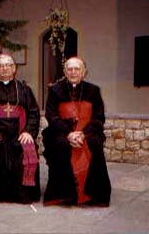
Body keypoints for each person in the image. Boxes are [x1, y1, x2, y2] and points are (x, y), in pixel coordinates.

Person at [42, 56, 111, 207]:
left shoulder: (93, 90)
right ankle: (65, 195)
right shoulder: (54, 90)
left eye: (77, 69)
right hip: (62, 132)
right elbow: (52, 116)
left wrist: (83, 133)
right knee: (60, 145)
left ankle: (92, 195)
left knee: (94, 144)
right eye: (70, 69)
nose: (73, 72)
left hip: (88, 131)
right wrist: (69, 133)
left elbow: (99, 118)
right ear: (65, 72)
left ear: (84, 72)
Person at [0, 53, 41, 204]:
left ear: (14, 68)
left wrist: (28, 132)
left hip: (19, 134)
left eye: (8, 65)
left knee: (26, 148)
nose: (4, 69)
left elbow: (34, 113)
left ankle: (23, 194)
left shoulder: (24, 89)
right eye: (0, 66)